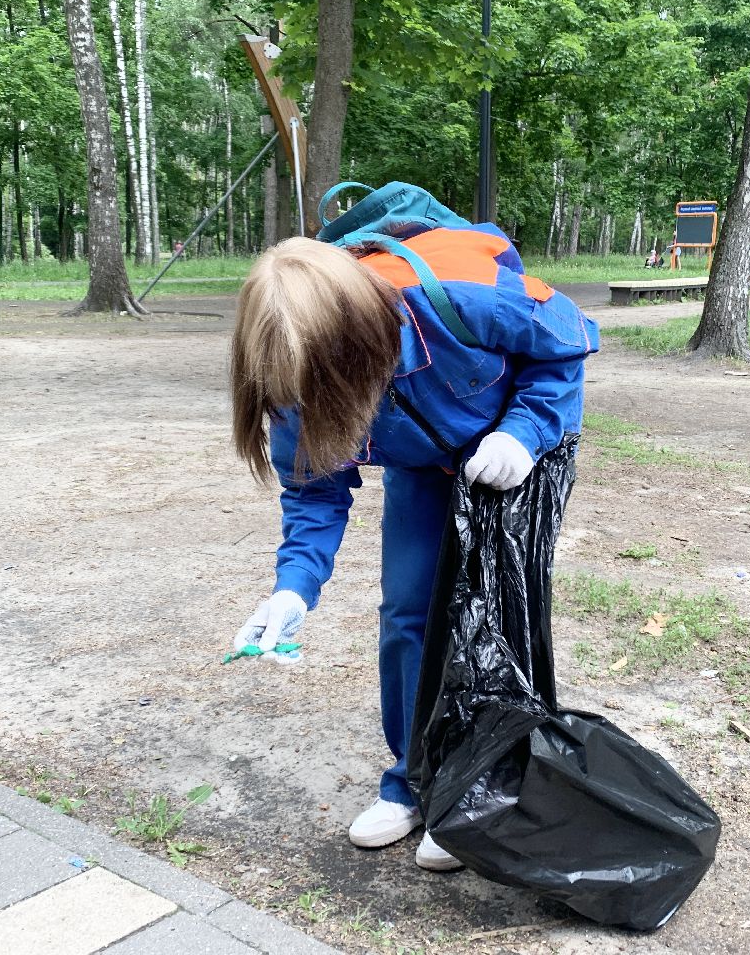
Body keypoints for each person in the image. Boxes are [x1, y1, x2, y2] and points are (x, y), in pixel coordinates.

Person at [229, 232, 593, 872]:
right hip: (426, 465)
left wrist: (522, 433)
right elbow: (315, 494)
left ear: (365, 333)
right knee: (406, 612)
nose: (315, 404)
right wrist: (292, 590)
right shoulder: (288, 373)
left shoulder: (458, 296)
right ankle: (413, 780)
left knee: (496, 618)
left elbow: (565, 345)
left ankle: (481, 784)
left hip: (513, 456)